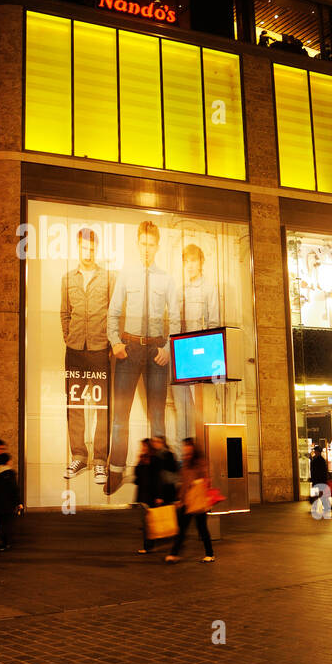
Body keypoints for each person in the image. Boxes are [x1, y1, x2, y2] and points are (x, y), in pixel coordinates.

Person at [106, 220, 178, 495]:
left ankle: (159, 475)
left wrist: (168, 349)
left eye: (151, 244)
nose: (147, 249)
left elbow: (177, 318)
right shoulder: (126, 274)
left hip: (156, 352)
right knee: (120, 415)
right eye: (143, 244)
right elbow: (113, 312)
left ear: (157, 246)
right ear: (138, 244)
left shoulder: (167, 279)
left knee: (157, 416)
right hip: (129, 349)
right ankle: (115, 470)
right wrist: (116, 343)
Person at [61, 227, 115, 481]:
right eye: (84, 247)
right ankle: (78, 458)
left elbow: (115, 313)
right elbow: (64, 313)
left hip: (99, 350)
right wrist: (69, 336)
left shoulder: (107, 278)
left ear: (97, 248)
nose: (88, 252)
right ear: (78, 247)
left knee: (102, 406)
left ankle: (101, 461)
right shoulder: (67, 278)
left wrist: (108, 340)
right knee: (75, 404)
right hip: (74, 351)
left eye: (92, 248)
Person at [173, 243, 220, 442]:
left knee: (201, 408)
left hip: (200, 356)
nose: (190, 265)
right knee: (182, 408)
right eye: (187, 261)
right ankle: (184, 458)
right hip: (181, 355)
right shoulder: (180, 290)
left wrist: (206, 354)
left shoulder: (209, 288)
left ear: (201, 262)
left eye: (194, 260)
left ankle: (203, 453)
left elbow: (214, 323)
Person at [166, 438, 215, 563]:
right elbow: (183, 483)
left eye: (187, 446)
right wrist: (179, 499)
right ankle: (174, 553)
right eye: (184, 446)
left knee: (202, 528)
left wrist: (197, 482)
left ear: (193, 447)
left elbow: (206, 478)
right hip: (186, 500)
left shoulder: (200, 462)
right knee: (182, 528)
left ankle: (210, 554)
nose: (185, 448)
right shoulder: (185, 462)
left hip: (197, 500)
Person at [134, 437, 178, 553]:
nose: (142, 448)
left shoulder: (155, 459)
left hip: (152, 494)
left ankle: (149, 545)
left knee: (151, 520)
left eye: (144, 446)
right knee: (146, 521)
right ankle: (148, 545)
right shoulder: (143, 459)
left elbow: (158, 479)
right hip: (143, 494)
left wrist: (159, 496)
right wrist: (140, 461)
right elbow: (137, 475)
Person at [309, 443, 332, 518]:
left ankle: (324, 506)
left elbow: (322, 471)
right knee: (319, 494)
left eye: (315, 451)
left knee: (319, 494)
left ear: (318, 451)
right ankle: (326, 506)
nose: (315, 452)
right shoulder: (317, 459)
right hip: (317, 479)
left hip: (319, 480)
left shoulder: (320, 460)